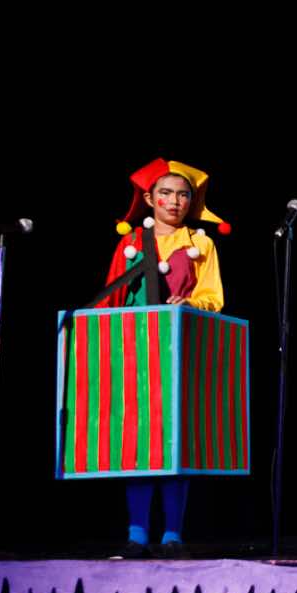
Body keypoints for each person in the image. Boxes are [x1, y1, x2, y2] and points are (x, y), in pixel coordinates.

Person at [95, 158, 231, 555]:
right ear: (150, 199)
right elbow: (111, 297)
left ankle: (172, 532)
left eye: (183, 195)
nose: (174, 201)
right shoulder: (132, 243)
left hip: (179, 347)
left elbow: (213, 297)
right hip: (135, 349)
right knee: (138, 440)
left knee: (174, 439)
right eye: (166, 193)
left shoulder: (201, 244)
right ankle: (136, 532)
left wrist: (190, 304)